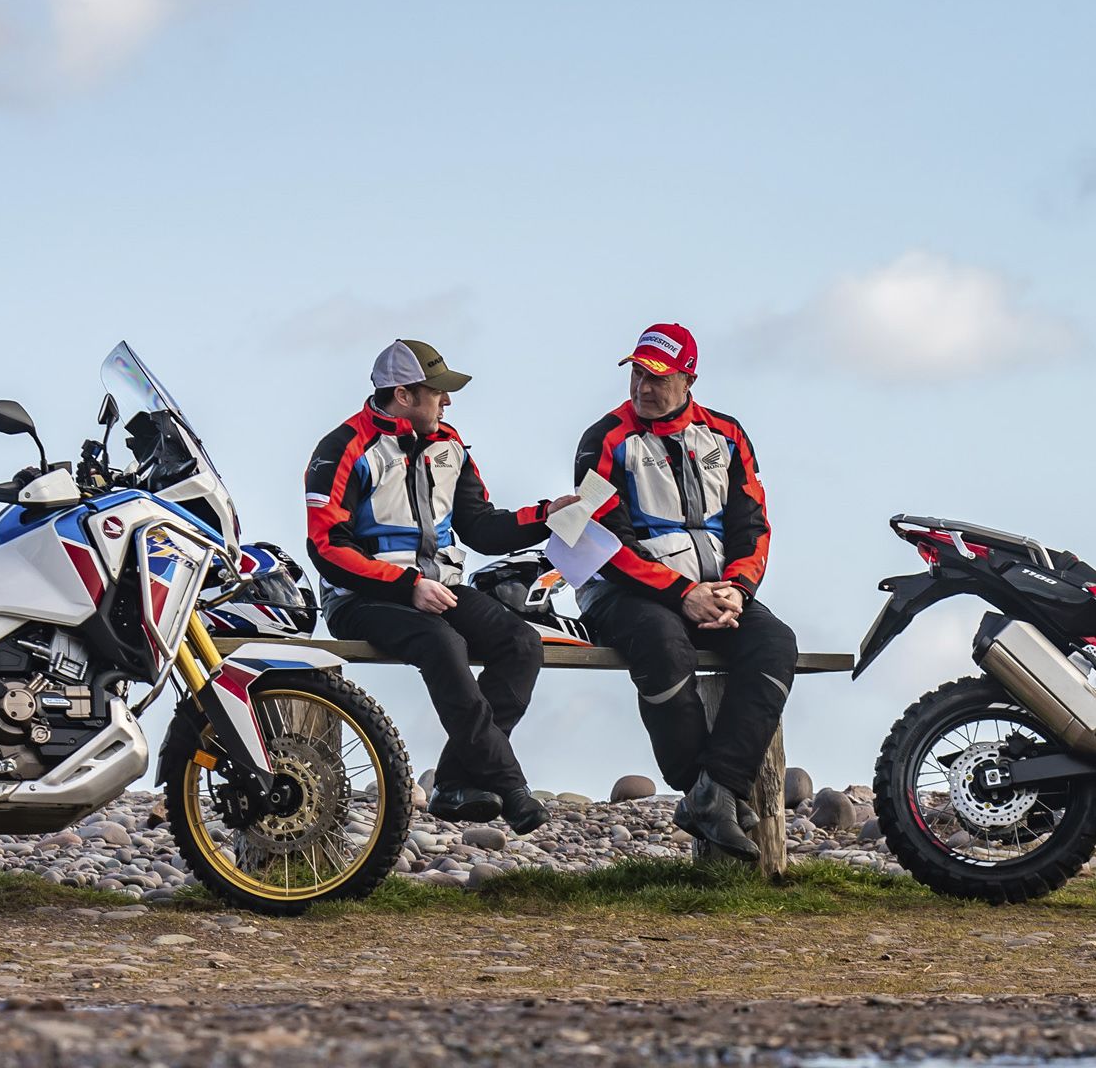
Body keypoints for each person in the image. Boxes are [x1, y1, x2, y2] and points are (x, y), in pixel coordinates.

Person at [304, 339, 577, 834]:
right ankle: (511, 787)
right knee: (442, 642)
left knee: (522, 643)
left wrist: (545, 517)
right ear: (403, 395)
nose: (447, 402)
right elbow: (326, 547)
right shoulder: (342, 447)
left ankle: (453, 781)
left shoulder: (450, 445)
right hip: (361, 598)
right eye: (437, 392)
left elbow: (481, 527)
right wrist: (405, 586)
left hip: (438, 589)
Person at [573, 323, 795, 860]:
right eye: (636, 373)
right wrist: (683, 596)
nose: (643, 387)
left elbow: (754, 528)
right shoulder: (603, 441)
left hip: (718, 592)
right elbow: (604, 543)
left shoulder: (729, 435)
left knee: (775, 644)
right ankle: (703, 788)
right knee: (663, 642)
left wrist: (738, 590)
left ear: (689, 377)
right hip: (625, 595)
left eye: (658, 376)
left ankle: (715, 791)